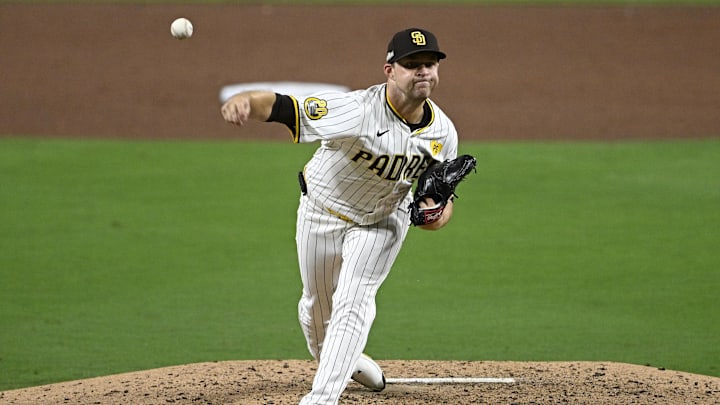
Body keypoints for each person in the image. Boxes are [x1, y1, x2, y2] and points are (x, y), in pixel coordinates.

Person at [221, 28, 459, 404]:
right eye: (412, 65)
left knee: (354, 300)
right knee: (317, 313)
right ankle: (347, 360)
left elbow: (441, 199)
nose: (423, 72)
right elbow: (288, 107)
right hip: (321, 213)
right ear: (389, 70)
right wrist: (246, 100)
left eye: (429, 64)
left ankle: (321, 399)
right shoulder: (357, 110)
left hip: (382, 222)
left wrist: (435, 215)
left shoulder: (443, 133)